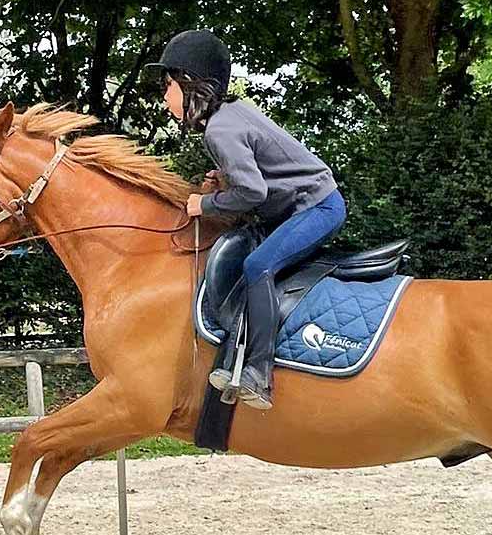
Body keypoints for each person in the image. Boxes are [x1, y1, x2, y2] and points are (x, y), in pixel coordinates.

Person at [146, 29, 345, 410]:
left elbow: (253, 194)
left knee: (257, 265)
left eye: (168, 85)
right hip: (296, 205)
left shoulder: (220, 129)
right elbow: (258, 174)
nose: (164, 97)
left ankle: (257, 372)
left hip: (317, 207)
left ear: (192, 85)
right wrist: (224, 182)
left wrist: (203, 205)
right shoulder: (230, 115)